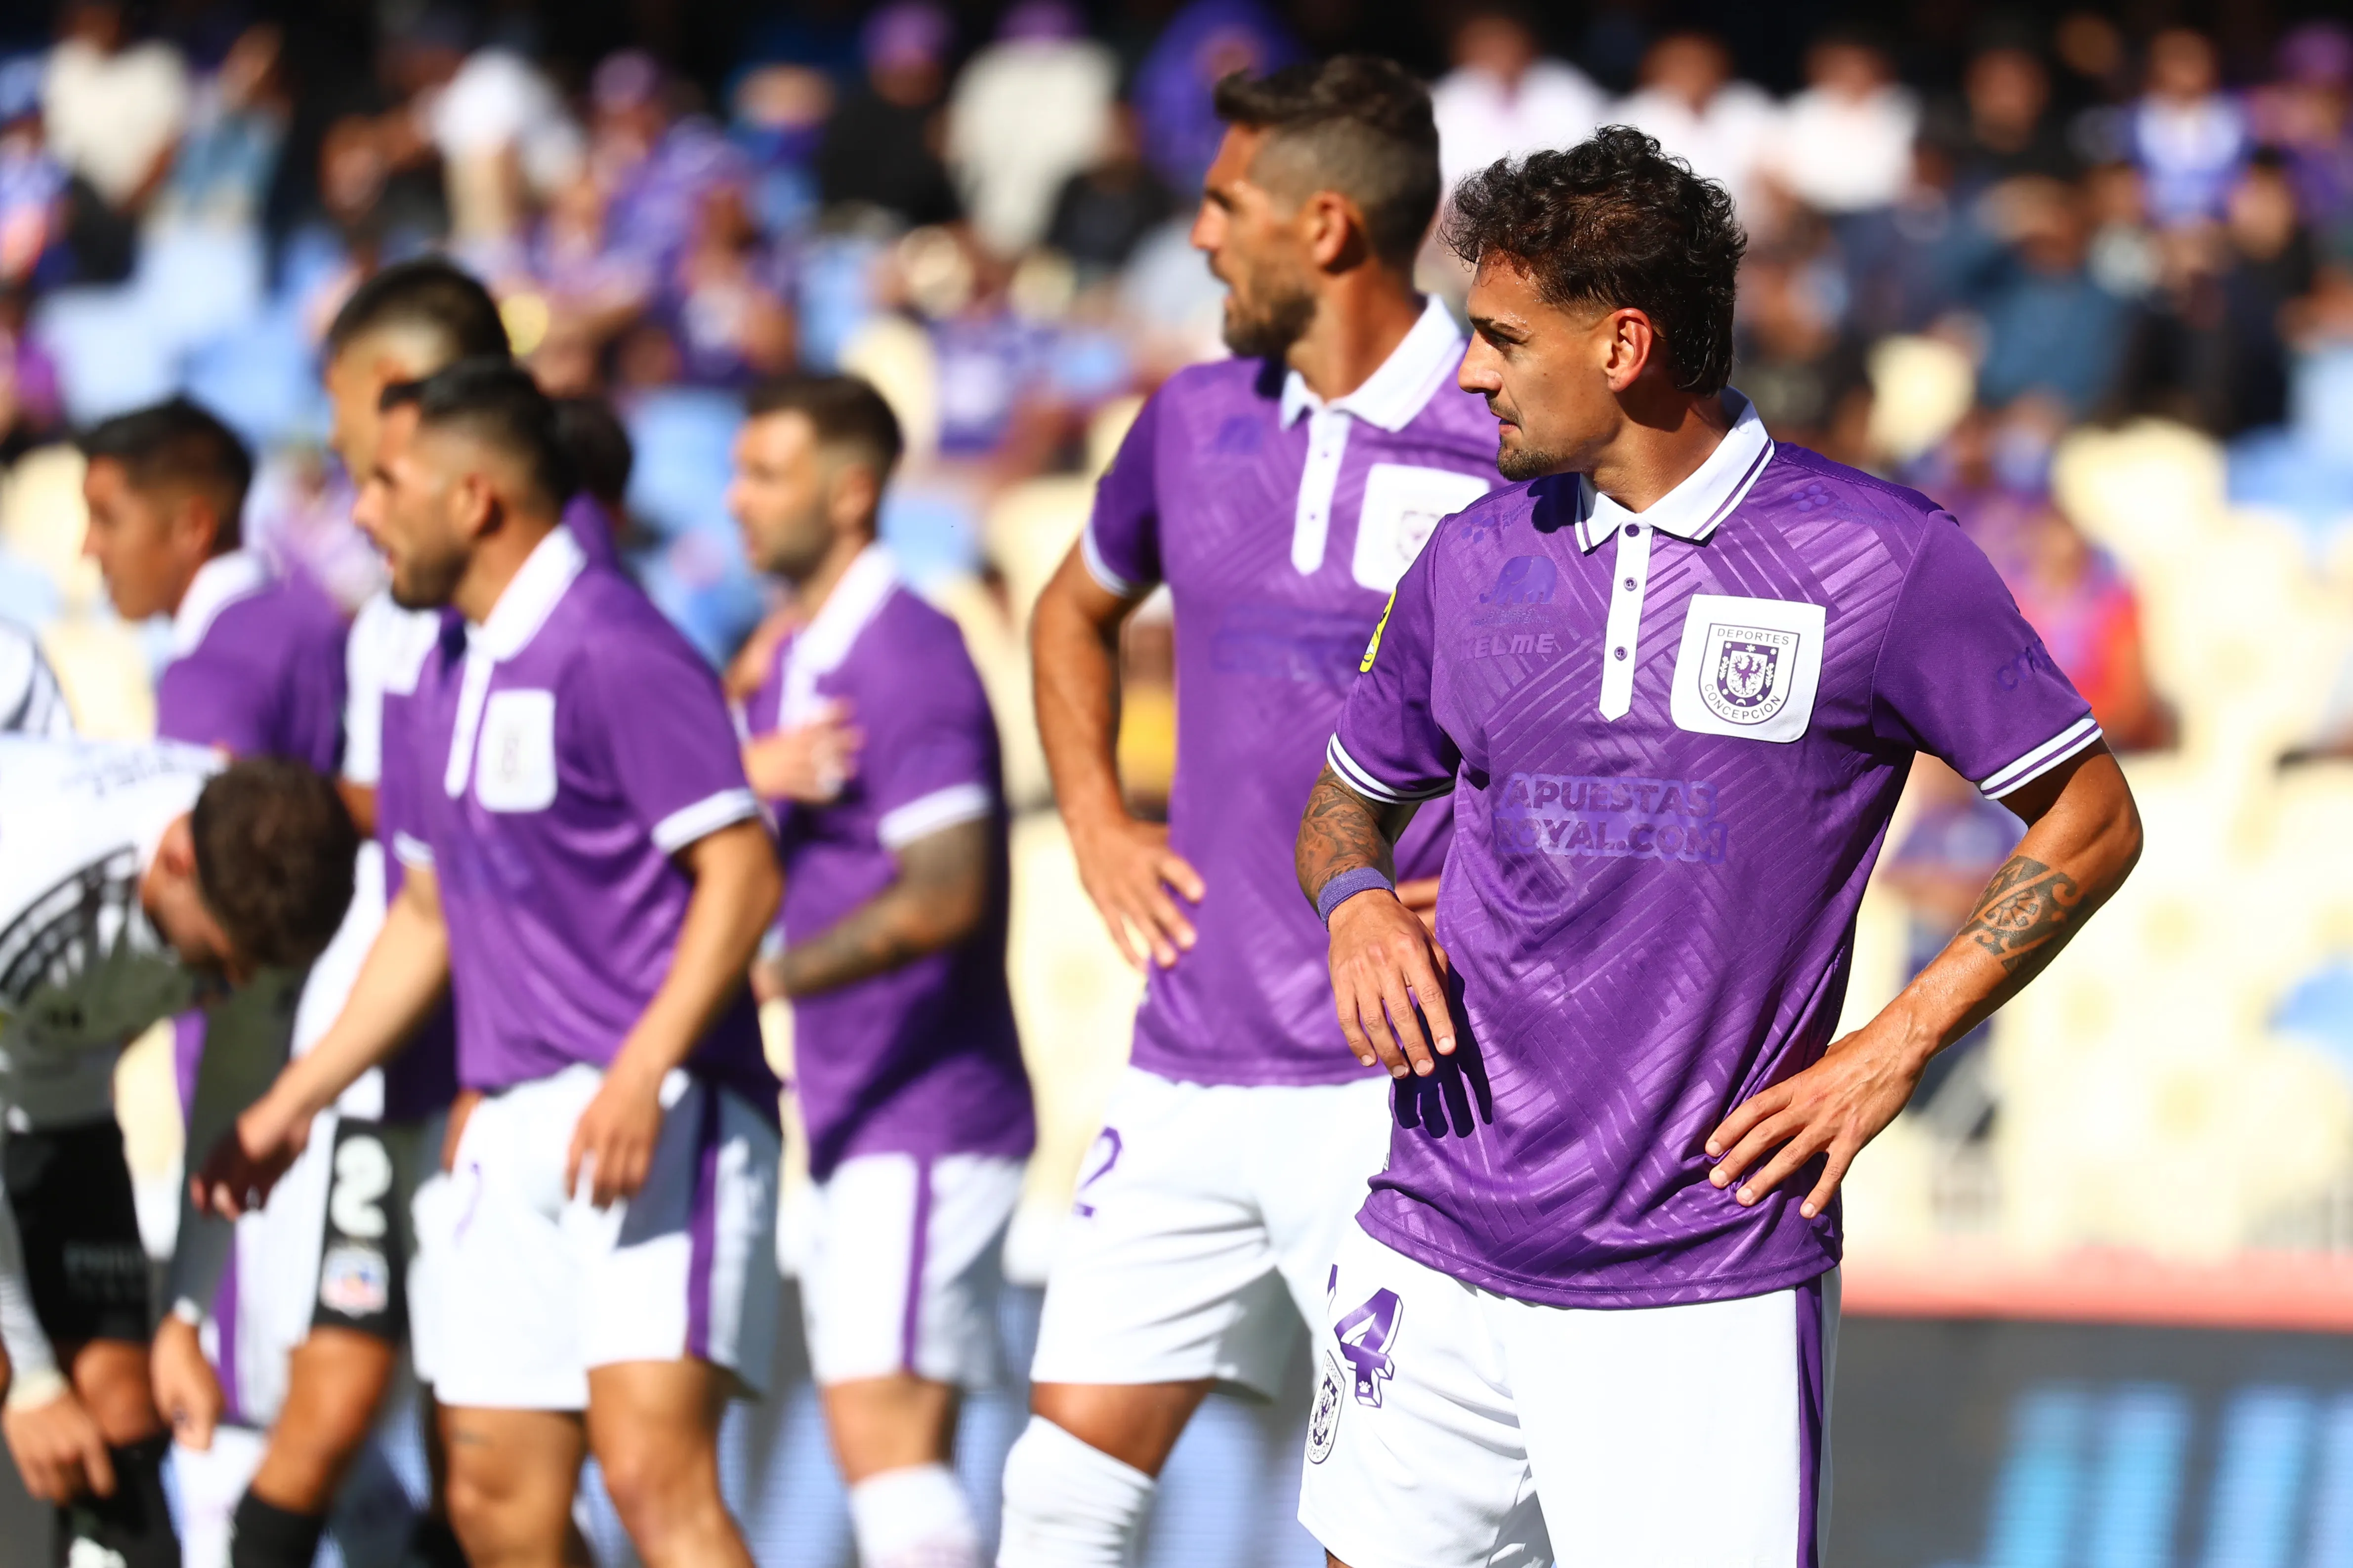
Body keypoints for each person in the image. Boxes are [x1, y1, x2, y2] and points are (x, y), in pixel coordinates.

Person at [1291, 127, 2143, 1568]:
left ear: (1624, 342)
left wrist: (1895, 1042)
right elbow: (1343, 802)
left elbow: (2094, 813)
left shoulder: (1880, 558)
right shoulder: (1471, 556)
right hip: (1432, 1228)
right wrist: (1358, 900)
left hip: (1701, 1266)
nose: (1470, 374)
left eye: (1500, 337)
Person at [1000, 56, 1498, 1567]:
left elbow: (1601, 737)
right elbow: (1069, 612)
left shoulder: (1502, 438)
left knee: (1399, 1533)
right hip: (1184, 1066)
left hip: (1400, 1087)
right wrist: (1094, 819)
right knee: (1057, 1499)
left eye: (1226, 204)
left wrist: (1489, 895)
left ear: (1328, 225)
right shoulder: (1190, 416)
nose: (1202, 235)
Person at [200, 359, 782, 1568]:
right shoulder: (436, 673)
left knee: (651, 1478)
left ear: (474, 499)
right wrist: (292, 1105)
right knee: (495, 1501)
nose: (360, 514)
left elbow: (742, 872)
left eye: (386, 483)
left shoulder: (617, 646)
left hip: (659, 1114)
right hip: (508, 1128)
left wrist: (640, 1072)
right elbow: (425, 916)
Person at [733, 373, 1035, 1568]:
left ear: (851, 492)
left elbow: (945, 893)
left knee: (883, 1450)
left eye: (766, 474)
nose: (735, 500)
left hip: (926, 1110)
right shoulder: (798, 652)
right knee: (899, 1448)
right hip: (869, 1109)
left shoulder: (906, 654)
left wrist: (764, 979)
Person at [0, 736, 357, 1568]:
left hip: (64, 1102)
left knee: (124, 1416)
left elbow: (229, 1114)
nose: (230, 988)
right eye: (217, 963)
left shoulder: (260, 872)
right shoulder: (24, 882)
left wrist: (182, 1320)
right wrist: (32, 1378)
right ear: (173, 859)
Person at [73, 394, 349, 1467]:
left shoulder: (216, 669)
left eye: (106, 514)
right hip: (346, 1069)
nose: (87, 547)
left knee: (232, 1433)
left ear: (190, 524)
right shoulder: (312, 624)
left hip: (259, 1095)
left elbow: (225, 883)